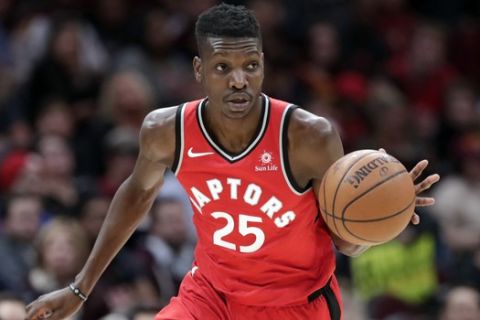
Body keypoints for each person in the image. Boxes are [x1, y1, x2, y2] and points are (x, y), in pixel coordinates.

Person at [25, 4, 440, 320]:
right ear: (199, 69)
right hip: (211, 293)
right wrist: (79, 289)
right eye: (223, 67)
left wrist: (388, 209)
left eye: (251, 66)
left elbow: (347, 241)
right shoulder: (167, 130)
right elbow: (135, 197)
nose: (239, 80)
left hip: (295, 303)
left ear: (263, 66)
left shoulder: (308, 136)